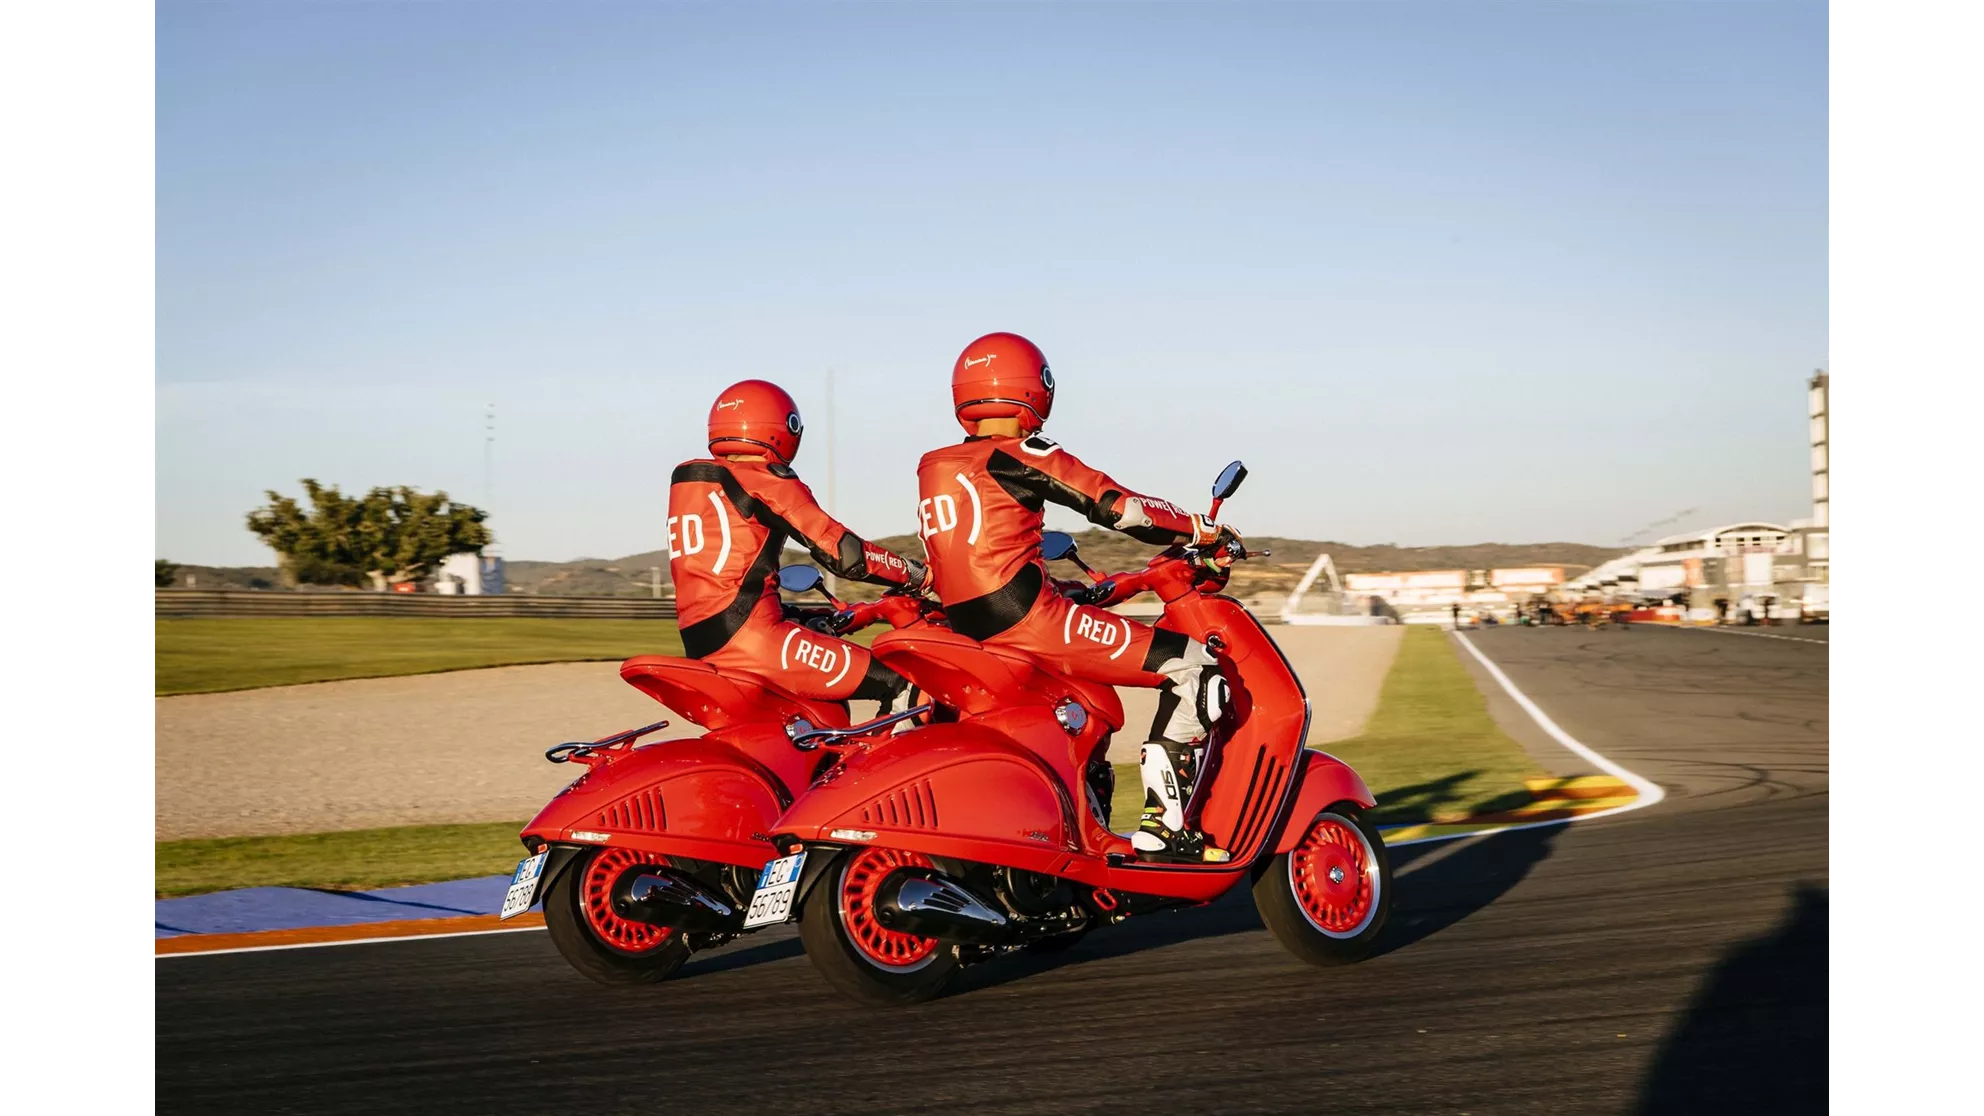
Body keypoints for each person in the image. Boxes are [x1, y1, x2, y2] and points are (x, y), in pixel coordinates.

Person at [915, 332, 1239, 863]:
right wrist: (1199, 529)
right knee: (1198, 671)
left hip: (969, 624)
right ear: (1035, 388)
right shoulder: (1020, 451)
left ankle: (1077, 820)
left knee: (1084, 708)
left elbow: (980, 553)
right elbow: (1120, 508)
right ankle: (1165, 827)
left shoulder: (935, 464)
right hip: (1027, 619)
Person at [668, 380, 927, 715]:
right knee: (905, 683)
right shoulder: (763, 478)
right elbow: (845, 554)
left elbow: (726, 583)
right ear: (785, 427)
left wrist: (802, 616)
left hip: (705, 641)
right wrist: (916, 574)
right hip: (753, 642)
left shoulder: (692, 482)